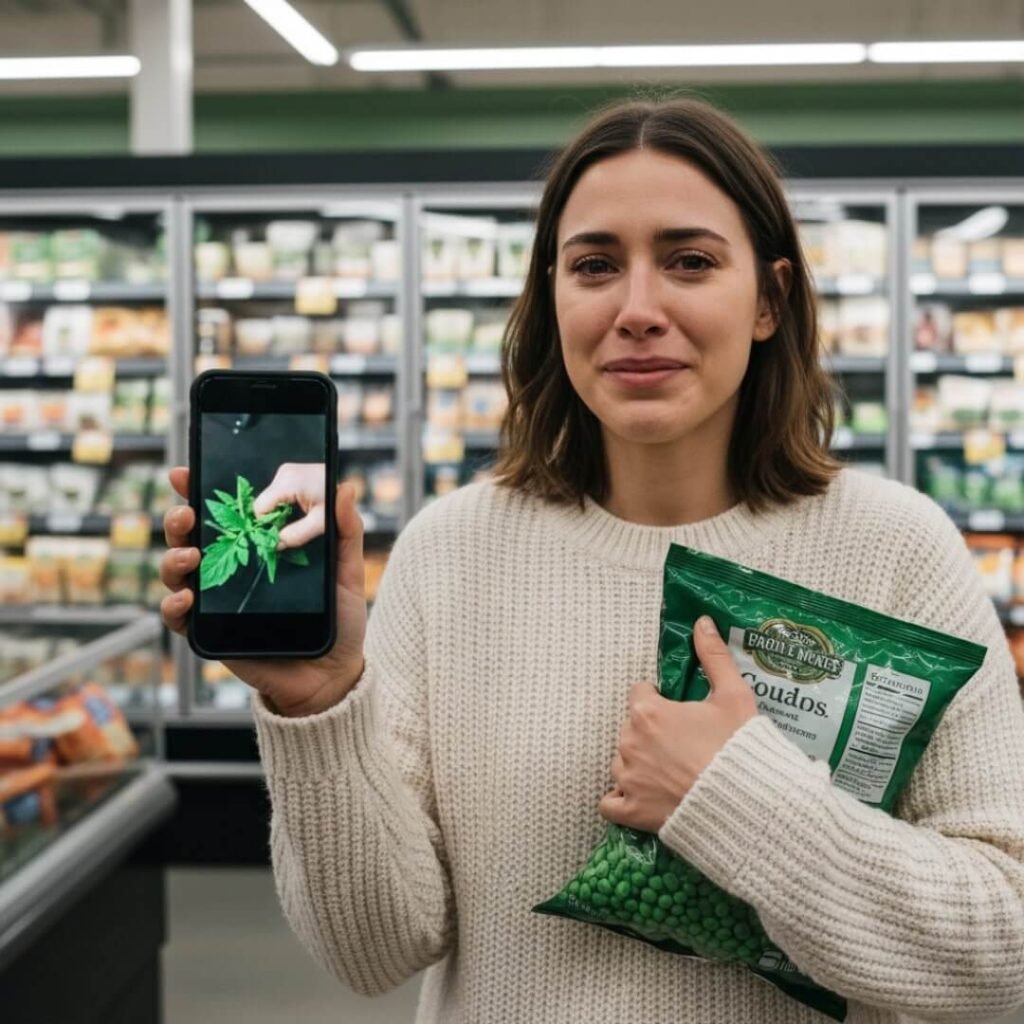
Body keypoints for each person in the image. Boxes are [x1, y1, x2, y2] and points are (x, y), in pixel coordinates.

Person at [159, 98, 1024, 1023]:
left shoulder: (894, 546)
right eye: (595, 266)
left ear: (769, 299)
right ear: (552, 295)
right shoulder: (450, 554)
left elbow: (1004, 949)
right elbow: (376, 952)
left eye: (690, 262)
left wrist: (738, 796)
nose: (638, 310)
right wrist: (316, 704)